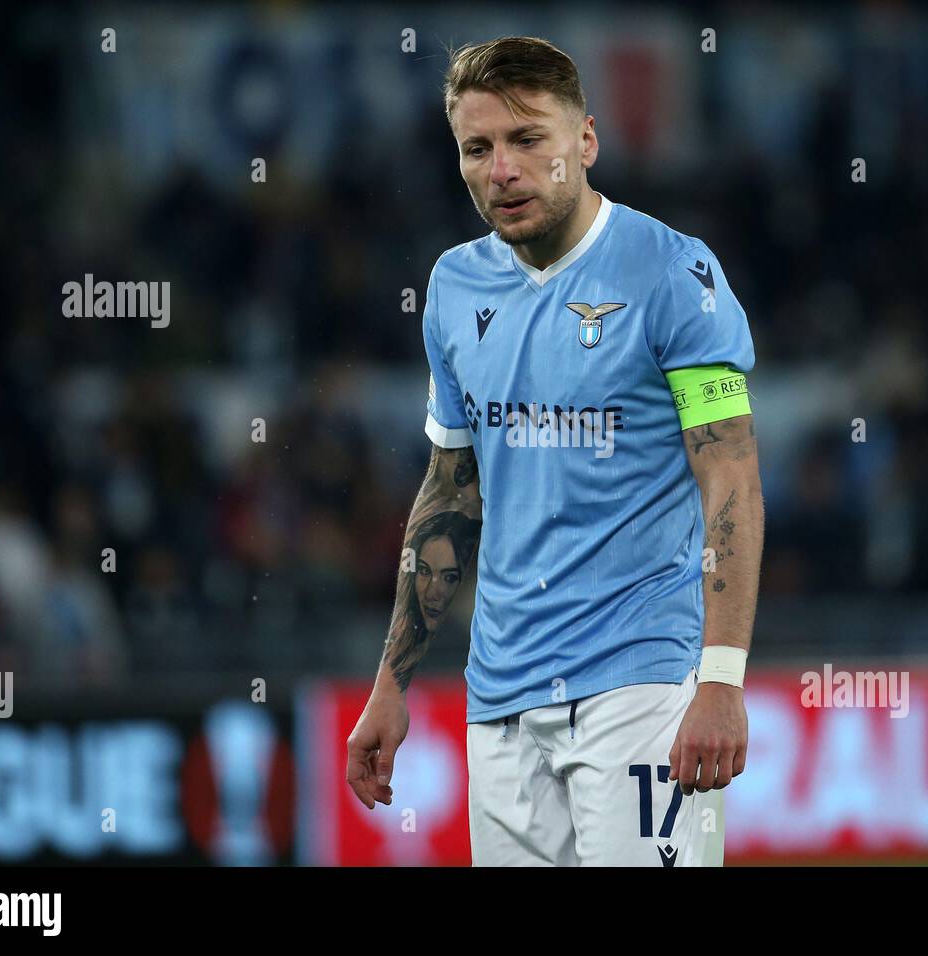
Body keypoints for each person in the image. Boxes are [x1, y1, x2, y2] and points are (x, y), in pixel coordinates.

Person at [346, 35, 763, 867]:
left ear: (585, 141)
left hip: (641, 682)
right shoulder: (455, 288)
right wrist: (392, 681)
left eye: (527, 139)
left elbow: (731, 474)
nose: (502, 169)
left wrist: (721, 678)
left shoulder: (673, 273)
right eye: (478, 147)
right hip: (499, 694)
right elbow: (450, 492)